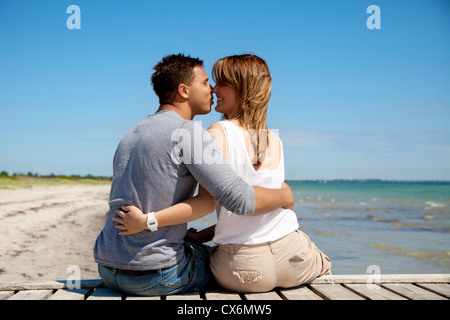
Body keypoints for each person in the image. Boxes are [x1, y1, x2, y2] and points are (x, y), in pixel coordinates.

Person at [116, 54, 332, 293]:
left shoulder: (214, 132)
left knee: (210, 258)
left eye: (222, 83)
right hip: (294, 256)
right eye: (210, 82)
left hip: (244, 267)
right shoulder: (273, 138)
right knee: (323, 264)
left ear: (243, 89)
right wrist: (284, 197)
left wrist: (161, 224)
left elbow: (223, 206)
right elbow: (248, 211)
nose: (214, 88)